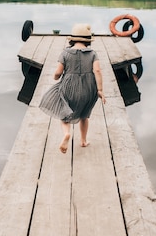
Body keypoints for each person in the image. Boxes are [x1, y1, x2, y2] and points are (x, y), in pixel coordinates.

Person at [39, 23, 106, 153]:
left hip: (68, 87)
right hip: (88, 88)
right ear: (87, 41)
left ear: (72, 39)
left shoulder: (65, 53)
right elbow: (97, 71)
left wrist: (55, 76)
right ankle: (83, 141)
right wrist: (100, 90)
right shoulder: (93, 54)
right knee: (84, 116)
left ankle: (66, 134)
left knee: (64, 114)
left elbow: (58, 72)